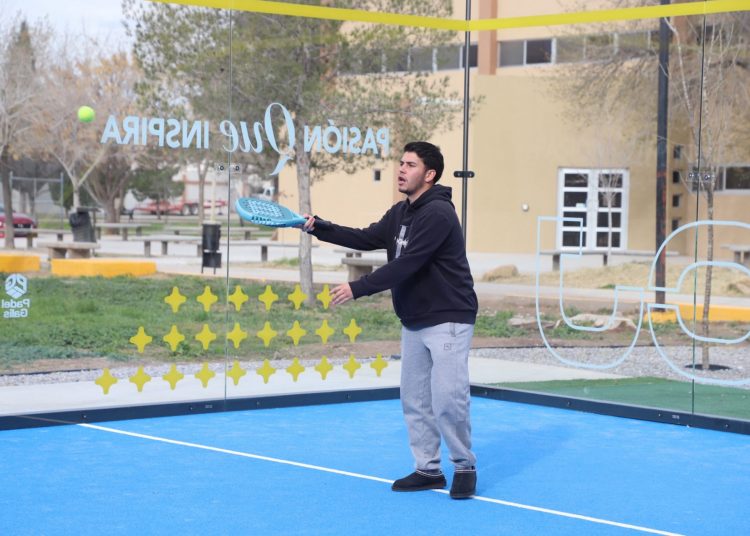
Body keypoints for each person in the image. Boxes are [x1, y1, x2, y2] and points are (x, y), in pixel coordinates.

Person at [300, 141, 478, 499]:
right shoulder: (400, 212)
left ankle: (464, 466)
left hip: (448, 318)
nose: (401, 169)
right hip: (414, 319)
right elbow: (364, 237)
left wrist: (358, 287)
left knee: (448, 399)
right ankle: (427, 469)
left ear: (429, 175)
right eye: (401, 163)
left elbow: (407, 264)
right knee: (415, 399)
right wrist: (318, 227)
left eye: (410, 165)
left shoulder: (439, 214)